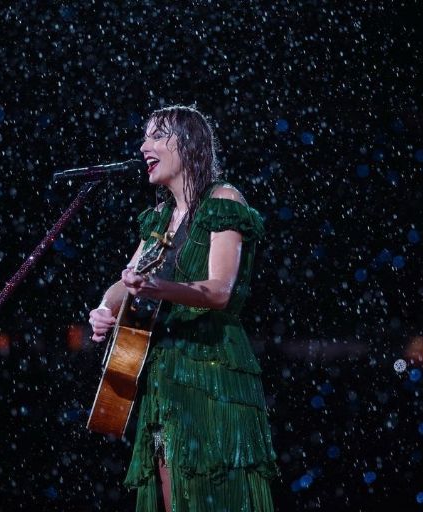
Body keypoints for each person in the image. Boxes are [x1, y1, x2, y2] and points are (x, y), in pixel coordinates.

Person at [88, 105, 277, 511]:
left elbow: (220, 290)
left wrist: (158, 288)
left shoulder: (222, 200)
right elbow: (126, 282)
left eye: (157, 136)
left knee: (217, 492)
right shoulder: (158, 219)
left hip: (212, 371)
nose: (143, 147)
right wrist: (104, 307)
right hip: (163, 377)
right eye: (145, 137)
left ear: (187, 144)